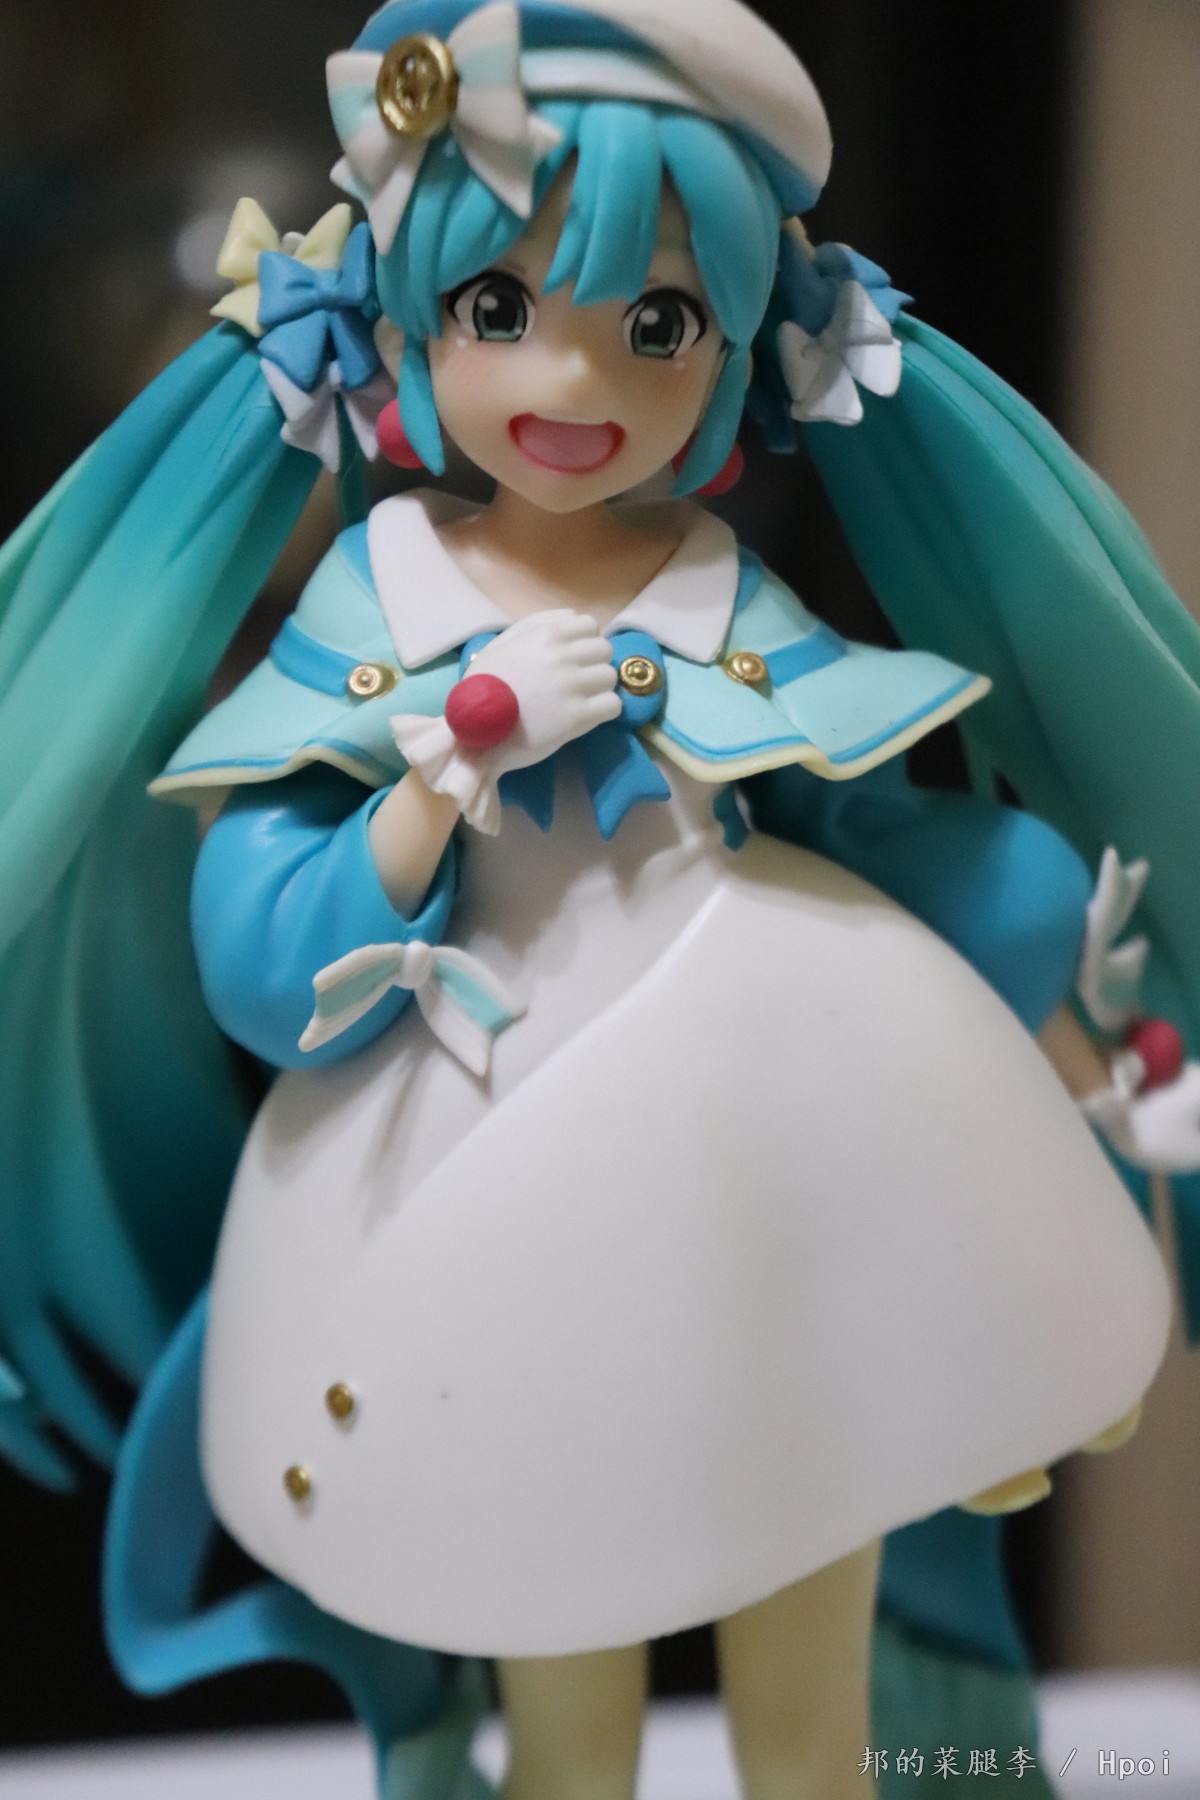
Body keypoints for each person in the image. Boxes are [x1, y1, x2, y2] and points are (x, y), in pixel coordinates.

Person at [3, 3, 1200, 1797]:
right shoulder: (380, 610)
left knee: (807, 1682)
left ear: (730, 352)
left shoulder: (726, 605)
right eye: (501, 308)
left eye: (654, 326)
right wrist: (446, 768)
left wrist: (1074, 1057)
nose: (572, 385)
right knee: (560, 1694)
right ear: (413, 313)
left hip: (771, 1191)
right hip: (484, 1190)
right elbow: (264, 961)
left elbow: (907, 861)